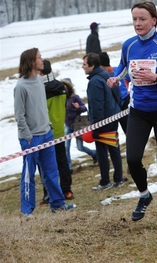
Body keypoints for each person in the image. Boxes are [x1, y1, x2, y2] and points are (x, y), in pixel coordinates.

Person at [107, 1, 157, 226]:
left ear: (154, 20)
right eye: (134, 19)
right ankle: (144, 195)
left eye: (142, 19)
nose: (137, 24)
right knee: (132, 159)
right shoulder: (128, 45)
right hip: (138, 111)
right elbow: (123, 69)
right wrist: (115, 79)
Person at [13, 48, 76, 216]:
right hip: (30, 138)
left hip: (47, 134)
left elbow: (42, 108)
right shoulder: (20, 86)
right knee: (29, 174)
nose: (43, 60)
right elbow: (19, 116)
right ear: (31, 62)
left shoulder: (40, 81)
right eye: (39, 58)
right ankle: (27, 211)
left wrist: (48, 126)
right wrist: (27, 136)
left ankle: (58, 204)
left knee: (51, 171)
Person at [82, 53, 124, 190]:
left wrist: (96, 126)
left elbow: (96, 105)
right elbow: (117, 94)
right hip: (113, 117)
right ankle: (118, 178)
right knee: (114, 148)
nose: (82, 67)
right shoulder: (108, 75)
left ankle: (105, 181)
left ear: (92, 65)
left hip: (103, 121)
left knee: (101, 152)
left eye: (84, 64)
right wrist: (116, 109)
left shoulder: (94, 82)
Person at [40, 59, 74, 200]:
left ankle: (48, 194)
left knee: (46, 165)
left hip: (46, 132)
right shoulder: (61, 86)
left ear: (40, 71)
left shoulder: (41, 88)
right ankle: (67, 190)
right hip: (60, 129)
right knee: (62, 161)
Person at [62, 78, 97, 174]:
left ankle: (94, 154)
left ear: (70, 87)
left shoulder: (75, 97)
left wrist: (78, 107)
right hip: (67, 125)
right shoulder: (61, 98)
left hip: (77, 125)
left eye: (66, 87)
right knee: (66, 147)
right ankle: (69, 168)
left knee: (80, 147)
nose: (65, 90)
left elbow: (84, 108)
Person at [99, 51, 130, 134]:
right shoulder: (100, 77)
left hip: (124, 106)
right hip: (111, 109)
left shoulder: (119, 71)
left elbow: (133, 78)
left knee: (129, 132)